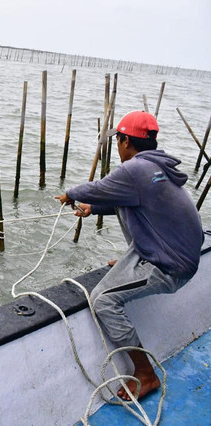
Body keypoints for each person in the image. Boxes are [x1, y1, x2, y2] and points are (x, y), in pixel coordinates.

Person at [55, 111, 204, 401]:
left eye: (119, 140)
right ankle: (130, 263)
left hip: (170, 264)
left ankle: (145, 374)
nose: (119, 146)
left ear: (125, 141)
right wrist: (93, 209)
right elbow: (131, 201)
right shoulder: (155, 168)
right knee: (123, 210)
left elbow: (96, 189)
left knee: (103, 300)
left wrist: (70, 194)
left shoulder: (134, 170)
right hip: (179, 251)